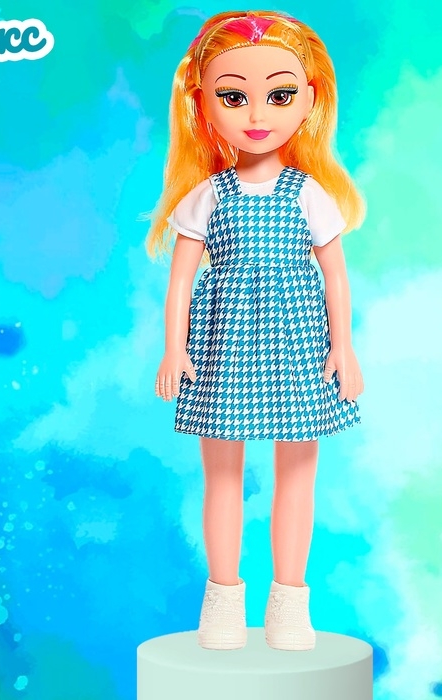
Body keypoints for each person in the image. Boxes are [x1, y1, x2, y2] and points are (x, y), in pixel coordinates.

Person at [146, 10, 365, 651]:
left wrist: (344, 347)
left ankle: (290, 603)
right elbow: (180, 282)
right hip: (224, 344)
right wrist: (174, 349)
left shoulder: (308, 194)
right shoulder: (207, 196)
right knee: (222, 476)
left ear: (310, 99)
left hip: (298, 343)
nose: (258, 114)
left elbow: (335, 277)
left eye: (280, 94)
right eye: (234, 96)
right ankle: (222, 599)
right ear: (201, 104)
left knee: (298, 473)